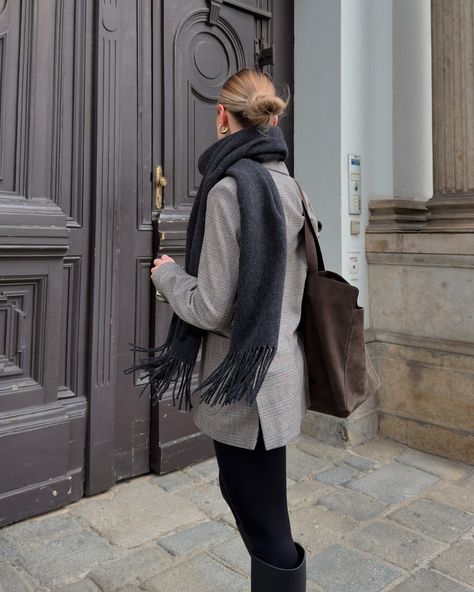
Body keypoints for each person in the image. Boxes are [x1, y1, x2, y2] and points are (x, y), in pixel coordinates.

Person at [146, 68, 319, 592]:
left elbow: (214, 307)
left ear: (223, 116)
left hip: (248, 390)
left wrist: (167, 275)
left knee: (263, 523)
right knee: (263, 510)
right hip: (280, 372)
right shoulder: (290, 186)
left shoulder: (229, 191)